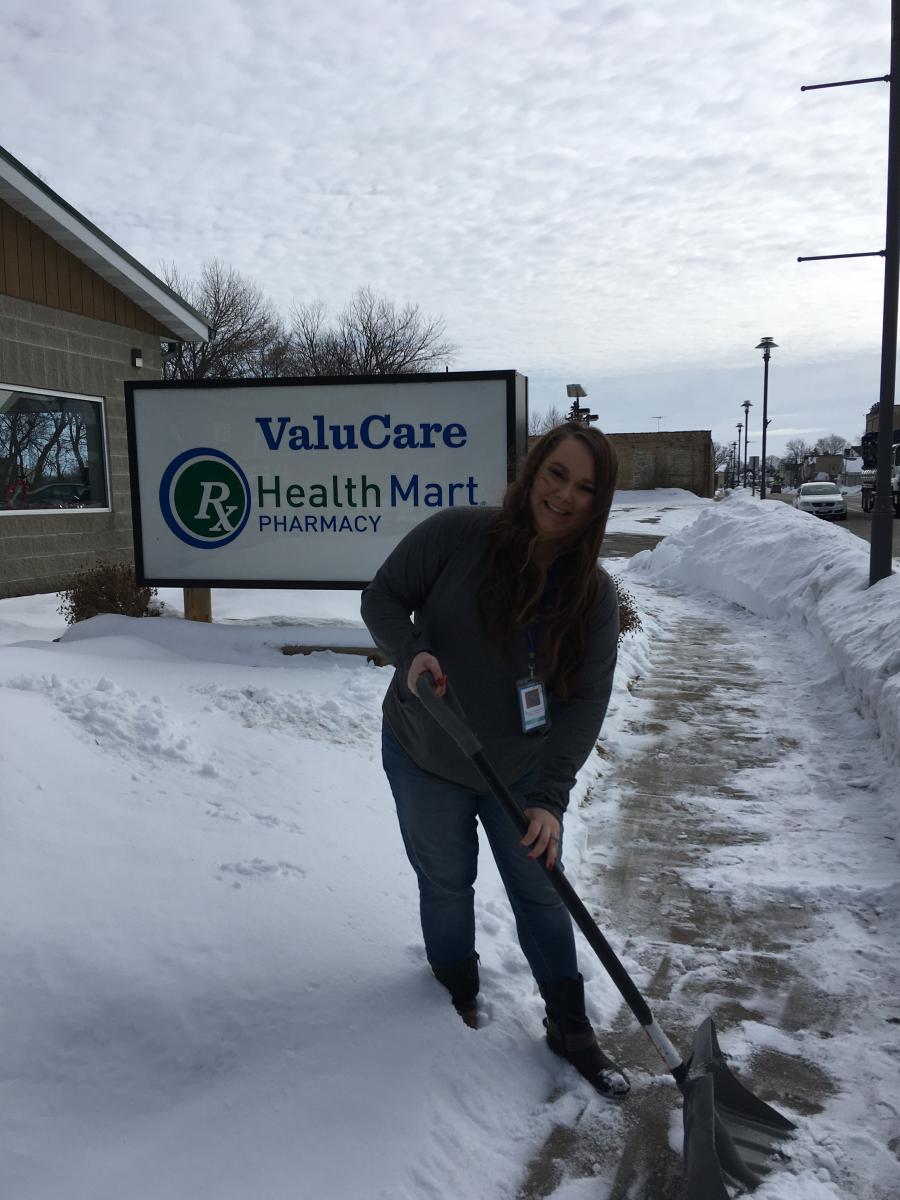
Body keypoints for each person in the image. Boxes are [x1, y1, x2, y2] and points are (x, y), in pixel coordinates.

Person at [360, 422, 628, 1097]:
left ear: (599, 503)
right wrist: (412, 649)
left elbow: (584, 703)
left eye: (585, 487)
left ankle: (570, 1026)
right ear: (535, 469)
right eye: (556, 473)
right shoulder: (459, 536)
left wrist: (551, 799)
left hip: (520, 772)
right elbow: (382, 596)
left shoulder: (591, 596)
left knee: (540, 892)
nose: (564, 495)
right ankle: (456, 994)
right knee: (446, 883)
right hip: (427, 752)